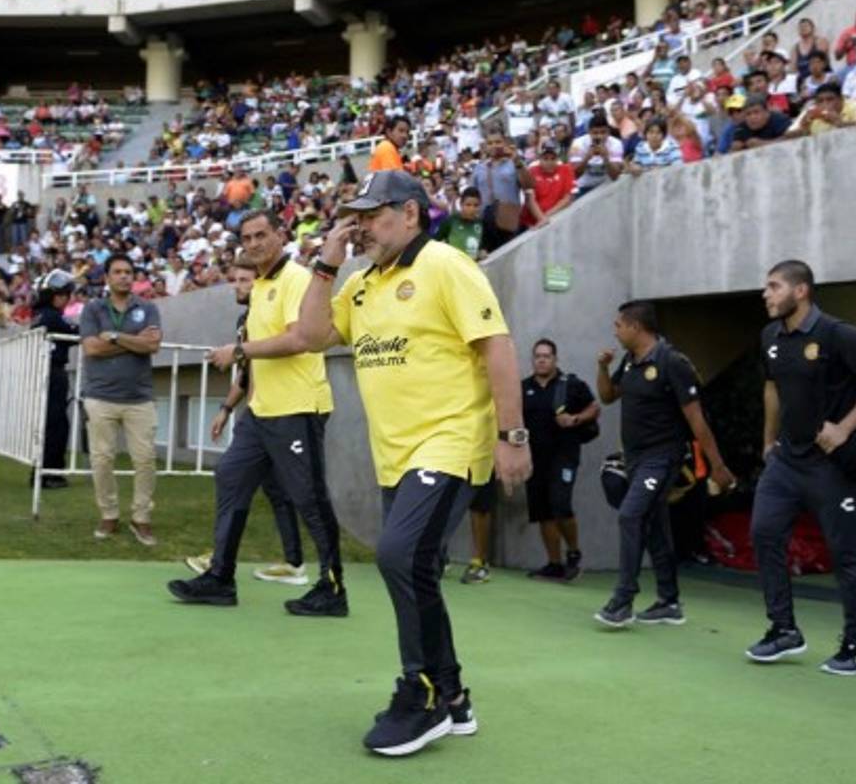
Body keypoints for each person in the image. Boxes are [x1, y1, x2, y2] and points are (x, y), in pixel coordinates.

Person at [296, 169, 532, 756]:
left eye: (372, 216)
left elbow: (497, 346)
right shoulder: (360, 283)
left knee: (400, 556)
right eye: (355, 218)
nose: (361, 229)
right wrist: (326, 266)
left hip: (450, 442)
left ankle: (421, 694)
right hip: (394, 456)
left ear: (410, 214)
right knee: (417, 568)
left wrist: (512, 435)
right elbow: (311, 334)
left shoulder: (447, 265)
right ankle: (453, 695)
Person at [167, 209, 345, 616]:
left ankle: (333, 589)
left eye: (261, 235)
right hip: (261, 413)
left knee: (310, 498)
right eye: (246, 238)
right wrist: (230, 404)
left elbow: (300, 339)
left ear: (281, 234)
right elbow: (257, 358)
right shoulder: (261, 285)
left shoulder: (296, 279)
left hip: (298, 407)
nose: (253, 244)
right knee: (230, 475)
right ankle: (220, 578)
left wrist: (239, 350)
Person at [748, 260, 856, 676]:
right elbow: (772, 387)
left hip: (831, 466)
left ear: (801, 291)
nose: (766, 294)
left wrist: (844, 428)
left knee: (846, 554)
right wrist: (768, 440)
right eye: (766, 287)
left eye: (774, 286)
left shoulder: (839, 334)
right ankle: (783, 630)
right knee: (763, 533)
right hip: (785, 462)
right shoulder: (770, 336)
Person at [593, 301, 734, 628]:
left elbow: (697, 420)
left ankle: (623, 600)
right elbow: (608, 396)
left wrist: (717, 466)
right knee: (655, 526)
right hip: (635, 458)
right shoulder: (630, 361)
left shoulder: (672, 362)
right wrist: (602, 368)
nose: (615, 331)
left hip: (663, 458)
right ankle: (669, 602)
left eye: (619, 325)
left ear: (636, 327)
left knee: (630, 515)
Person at [181, 254, 309, 588]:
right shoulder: (246, 319)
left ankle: (221, 561)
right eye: (235, 280)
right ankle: (293, 563)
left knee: (241, 479)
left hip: (284, 412)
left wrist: (237, 354)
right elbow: (247, 372)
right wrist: (225, 409)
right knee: (271, 487)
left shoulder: (274, 311)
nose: (236, 287)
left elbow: (290, 346)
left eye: (244, 281)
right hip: (257, 413)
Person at [79, 254, 163, 546]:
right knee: (102, 460)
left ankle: (141, 518)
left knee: (146, 460)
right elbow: (91, 348)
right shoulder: (93, 308)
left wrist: (114, 336)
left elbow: (153, 344)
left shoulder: (147, 307)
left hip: (139, 397)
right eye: (117, 272)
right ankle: (109, 514)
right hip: (100, 396)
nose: (124, 276)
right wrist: (134, 341)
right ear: (107, 278)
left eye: (128, 272)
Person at [520, 338, 599, 582]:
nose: (541, 360)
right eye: (538, 356)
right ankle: (554, 564)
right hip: (535, 458)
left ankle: (573, 552)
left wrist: (575, 419)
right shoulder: (523, 388)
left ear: (555, 359)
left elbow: (594, 407)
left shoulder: (571, 385)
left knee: (560, 503)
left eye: (546, 356)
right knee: (543, 511)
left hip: (564, 455)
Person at [32, 270, 77, 490]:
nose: (66, 299)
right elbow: (75, 333)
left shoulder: (40, 315)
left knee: (49, 423)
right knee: (57, 424)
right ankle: (50, 474)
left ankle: (42, 471)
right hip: (53, 372)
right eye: (63, 295)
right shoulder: (51, 316)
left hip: (43, 372)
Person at [434, 186, 485, 261]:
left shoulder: (480, 223)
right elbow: (434, 242)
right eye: (468, 205)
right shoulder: (451, 221)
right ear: (461, 204)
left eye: (476, 205)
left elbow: (482, 247)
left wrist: (482, 252)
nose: (472, 209)